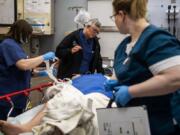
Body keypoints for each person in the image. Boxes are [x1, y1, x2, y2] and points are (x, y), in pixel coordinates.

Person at [104, 0, 180, 135]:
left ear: (121, 15)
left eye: (113, 16)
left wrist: (131, 91)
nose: (114, 21)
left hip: (161, 124)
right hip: (137, 123)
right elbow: (140, 74)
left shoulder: (156, 39)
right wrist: (120, 83)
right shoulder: (125, 45)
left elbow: (175, 78)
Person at [0, 74, 113, 135]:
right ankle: (27, 128)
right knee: (60, 100)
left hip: (96, 97)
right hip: (79, 95)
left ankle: (28, 128)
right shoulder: (76, 81)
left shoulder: (104, 79)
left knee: (58, 101)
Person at [0, 19, 55, 120]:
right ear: (20, 32)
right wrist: (43, 57)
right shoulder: (8, 45)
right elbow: (23, 65)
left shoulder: (16, 46)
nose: (28, 37)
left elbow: (20, 68)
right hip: (8, 97)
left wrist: (39, 72)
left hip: (18, 96)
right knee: (7, 124)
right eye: (27, 34)